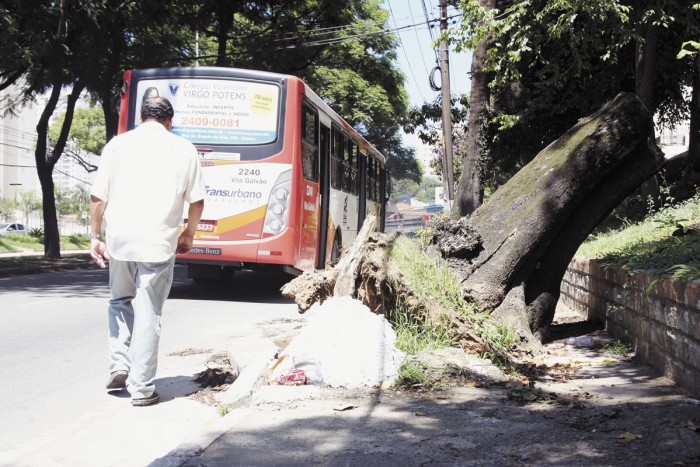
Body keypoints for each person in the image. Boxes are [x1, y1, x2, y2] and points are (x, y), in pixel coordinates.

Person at [89, 96, 205, 407]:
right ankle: (141, 389)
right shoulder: (184, 149)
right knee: (149, 313)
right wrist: (189, 234)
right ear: (170, 121)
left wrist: (94, 236)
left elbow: (97, 197)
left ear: (142, 118)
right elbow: (197, 202)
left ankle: (119, 364)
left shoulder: (117, 145)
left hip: (120, 242)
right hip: (157, 243)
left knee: (119, 301)